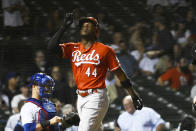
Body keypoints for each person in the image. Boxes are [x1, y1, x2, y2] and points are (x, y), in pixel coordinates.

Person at [47, 14, 143, 131]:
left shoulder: (105, 50)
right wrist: (63, 27)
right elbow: (51, 47)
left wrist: (133, 95)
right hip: (81, 97)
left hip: (96, 96)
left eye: (89, 25)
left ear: (96, 31)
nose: (85, 26)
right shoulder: (73, 48)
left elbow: (120, 74)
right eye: (83, 25)